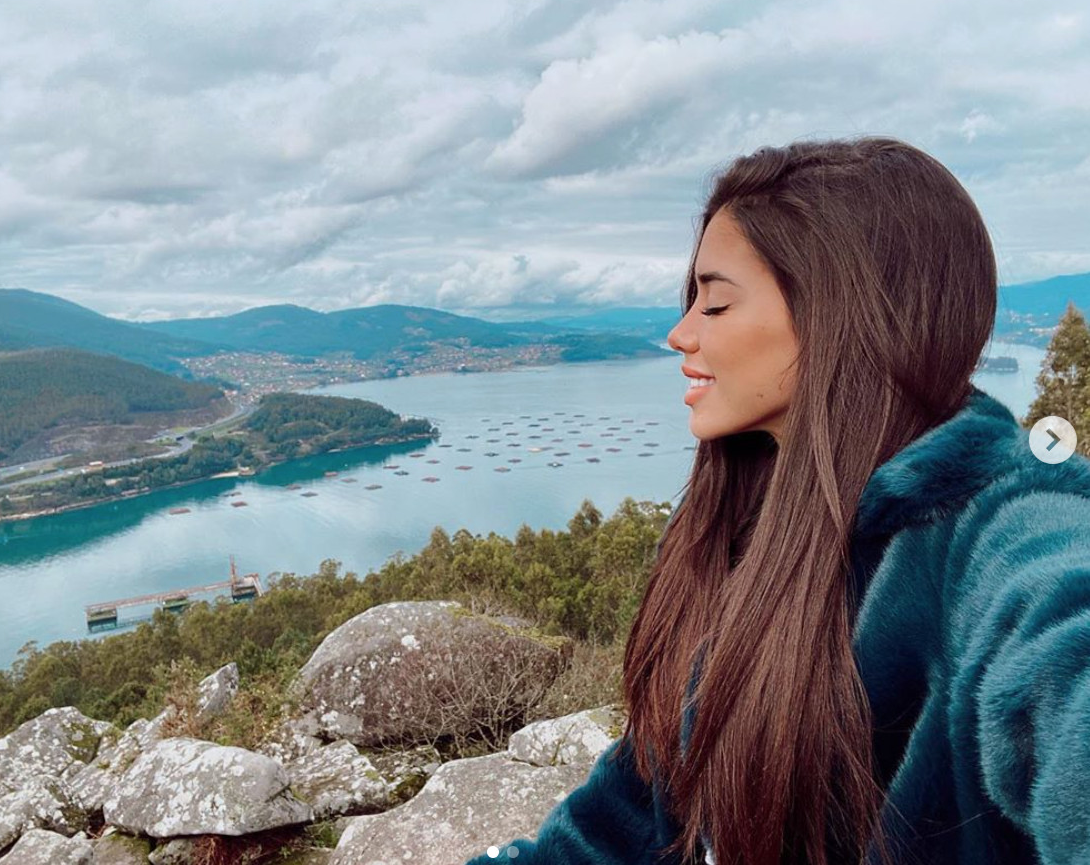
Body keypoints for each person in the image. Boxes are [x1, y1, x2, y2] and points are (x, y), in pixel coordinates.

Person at [463, 136, 1090, 865]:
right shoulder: (753, 530)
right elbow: (628, 823)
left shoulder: (1003, 527)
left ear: (840, 311)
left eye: (716, 303)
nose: (680, 333)